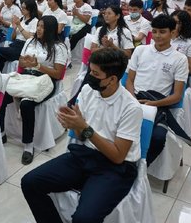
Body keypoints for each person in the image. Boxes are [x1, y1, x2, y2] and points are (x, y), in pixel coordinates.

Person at [21, 47, 141, 223]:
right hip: (85, 155)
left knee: (84, 218)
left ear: (113, 79)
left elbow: (117, 156)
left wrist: (84, 127)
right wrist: (73, 123)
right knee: (30, 182)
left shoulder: (131, 108)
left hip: (115, 169)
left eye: (95, 73)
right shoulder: (88, 91)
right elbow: (81, 136)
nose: (89, 76)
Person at [0, 15, 69, 164]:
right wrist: (27, 63)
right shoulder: (30, 41)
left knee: (26, 104)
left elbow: (57, 73)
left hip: (46, 80)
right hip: (27, 77)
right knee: (1, 94)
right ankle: (2, 132)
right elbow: (22, 63)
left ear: (50, 29)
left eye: (42, 27)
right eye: (38, 26)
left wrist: (38, 66)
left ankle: (28, 145)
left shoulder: (59, 47)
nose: (38, 29)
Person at [125, 14, 189, 164]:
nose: (157, 36)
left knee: (158, 139)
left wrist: (151, 104)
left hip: (157, 104)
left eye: (162, 32)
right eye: (154, 31)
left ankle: (140, 168)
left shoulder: (180, 59)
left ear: (173, 33)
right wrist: (133, 100)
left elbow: (177, 96)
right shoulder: (140, 50)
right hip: (133, 98)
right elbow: (129, 80)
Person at [0, 0, 39, 72]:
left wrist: (19, 26)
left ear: (30, 9)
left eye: (24, 8)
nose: (22, 10)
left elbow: (30, 38)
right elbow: (12, 37)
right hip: (14, 44)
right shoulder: (21, 19)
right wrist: (14, 29)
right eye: (22, 7)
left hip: (23, 46)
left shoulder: (35, 21)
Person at [170, 10, 191, 75]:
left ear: (184, 24)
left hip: (175, 75)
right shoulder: (163, 37)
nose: (172, 25)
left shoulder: (190, 43)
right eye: (171, 22)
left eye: (176, 22)